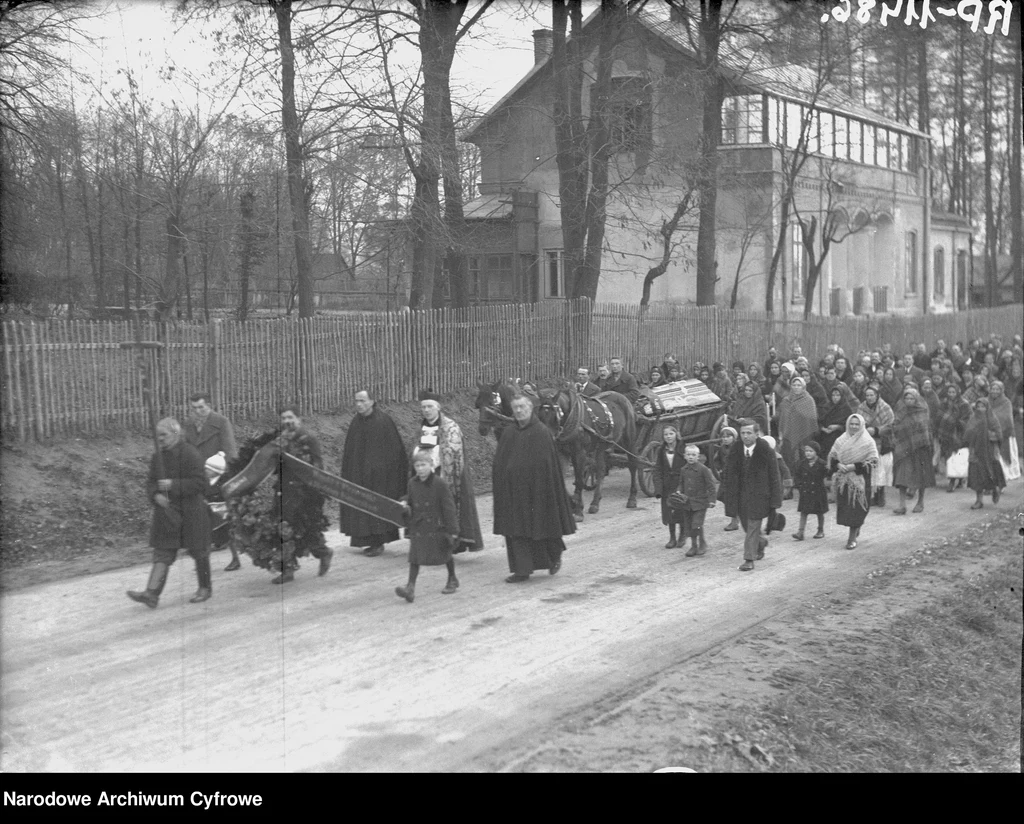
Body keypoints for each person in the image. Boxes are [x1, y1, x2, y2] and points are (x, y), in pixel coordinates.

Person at [127, 418, 212, 607]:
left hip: (192, 511)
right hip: (167, 512)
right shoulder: (158, 457)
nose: (160, 439)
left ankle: (205, 588)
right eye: (157, 436)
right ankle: (151, 593)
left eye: (163, 435)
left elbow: (201, 484)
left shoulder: (191, 454)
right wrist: (155, 495)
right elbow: (150, 482)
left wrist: (173, 485)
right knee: (162, 552)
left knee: (199, 551)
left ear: (176, 434)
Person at [492, 393, 577, 582]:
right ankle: (522, 570)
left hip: (537, 492)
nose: (519, 411)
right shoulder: (509, 433)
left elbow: (547, 466)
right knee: (516, 530)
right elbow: (499, 462)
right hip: (513, 493)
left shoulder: (541, 433)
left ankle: (555, 554)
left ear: (531, 409)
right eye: (516, 408)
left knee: (543, 528)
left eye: (523, 407)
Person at [339, 389, 409, 558]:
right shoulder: (356, 422)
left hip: (380, 477)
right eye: (356, 401)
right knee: (362, 506)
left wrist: (380, 470)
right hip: (359, 474)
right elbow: (351, 451)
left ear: (372, 401)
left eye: (362, 401)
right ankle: (365, 540)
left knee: (376, 506)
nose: (359, 404)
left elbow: (395, 451)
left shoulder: (383, 421)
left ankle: (378, 542)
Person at [416, 389, 484, 553]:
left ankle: (453, 542)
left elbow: (453, 450)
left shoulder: (450, 426)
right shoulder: (421, 426)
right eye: (423, 407)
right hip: (425, 474)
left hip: (447, 474)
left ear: (438, 407)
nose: (426, 410)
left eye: (430, 407)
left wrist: (434, 462)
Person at [272, 405, 332, 584]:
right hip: (284, 489)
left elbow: (318, 465)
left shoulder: (309, 439)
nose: (287, 422)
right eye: (284, 418)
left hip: (304, 493)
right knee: (282, 529)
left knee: (306, 530)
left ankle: (324, 553)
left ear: (298, 419)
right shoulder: (279, 440)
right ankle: (287, 570)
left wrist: (311, 487)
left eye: (290, 417)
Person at [183, 392, 241, 570]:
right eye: (194, 408)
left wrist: (224, 475)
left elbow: (230, 451)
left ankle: (235, 558)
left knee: (223, 517)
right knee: (200, 518)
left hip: (218, 476)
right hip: (198, 479)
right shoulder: (188, 425)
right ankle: (203, 561)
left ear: (209, 405)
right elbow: (185, 451)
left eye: (201, 407)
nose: (198, 411)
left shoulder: (221, 422)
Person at [394, 450, 460, 603]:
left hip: (437, 525)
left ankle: (452, 578)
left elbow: (448, 507)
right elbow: (410, 498)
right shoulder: (412, 483)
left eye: (423, 465)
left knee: (445, 553)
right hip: (419, 525)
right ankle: (410, 587)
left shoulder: (439, 483)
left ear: (431, 465)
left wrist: (453, 530)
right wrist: (404, 501)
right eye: (417, 465)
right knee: (415, 556)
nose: (420, 469)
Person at [722, 419, 782, 573]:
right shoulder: (735, 450)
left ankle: (749, 559)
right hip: (741, 496)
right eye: (743, 433)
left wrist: (775, 500)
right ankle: (760, 543)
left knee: (753, 526)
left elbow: (774, 476)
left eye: (749, 433)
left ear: (757, 434)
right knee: (746, 526)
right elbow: (728, 474)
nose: (745, 436)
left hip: (760, 496)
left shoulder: (766, 451)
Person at [827, 413, 878, 549]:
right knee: (847, 509)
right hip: (844, 480)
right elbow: (832, 457)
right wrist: (838, 465)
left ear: (861, 425)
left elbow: (873, 461)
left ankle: (851, 538)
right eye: (851, 424)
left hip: (860, 480)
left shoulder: (868, 442)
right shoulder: (841, 440)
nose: (854, 426)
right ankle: (855, 529)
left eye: (857, 424)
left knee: (857, 508)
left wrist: (854, 466)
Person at [887, 386, 935, 515]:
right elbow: (894, 425)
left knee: (921, 476)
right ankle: (902, 505)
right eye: (906, 398)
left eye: (911, 398)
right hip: (904, 449)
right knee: (902, 475)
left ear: (916, 398)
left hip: (920, 449)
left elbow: (925, 430)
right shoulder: (901, 411)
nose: (908, 400)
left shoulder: (922, 411)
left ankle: (920, 501)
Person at [674, 444, 717, 557]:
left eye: (693, 455)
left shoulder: (703, 469)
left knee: (696, 524)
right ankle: (694, 546)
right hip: (687, 503)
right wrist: (679, 491)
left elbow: (711, 486)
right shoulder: (684, 470)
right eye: (688, 455)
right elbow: (681, 484)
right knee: (690, 525)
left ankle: (702, 544)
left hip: (700, 503)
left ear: (698, 457)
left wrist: (712, 500)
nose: (691, 457)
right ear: (684, 456)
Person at [964, 398, 1005, 509]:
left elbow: (998, 435)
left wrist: (986, 434)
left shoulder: (992, 419)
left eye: (983, 407)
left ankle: (995, 488)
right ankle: (979, 500)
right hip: (976, 450)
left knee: (990, 472)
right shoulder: (973, 419)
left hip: (989, 451)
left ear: (987, 408)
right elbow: (967, 434)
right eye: (978, 407)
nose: (980, 409)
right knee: (976, 474)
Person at [858, 384, 894, 506]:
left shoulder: (885, 407)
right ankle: (871, 496)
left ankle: (880, 495)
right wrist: (865, 429)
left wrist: (877, 430)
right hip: (867, 441)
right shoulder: (861, 408)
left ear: (877, 395)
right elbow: (857, 422)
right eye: (867, 395)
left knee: (881, 469)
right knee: (870, 469)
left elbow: (890, 424)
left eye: (872, 395)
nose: (869, 398)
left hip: (882, 442)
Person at [778, 375, 819, 476]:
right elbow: (783, 418)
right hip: (788, 433)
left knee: (803, 455)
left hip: (804, 434)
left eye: (799, 385)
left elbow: (812, 418)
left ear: (803, 387)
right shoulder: (786, 400)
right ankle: (790, 476)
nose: (796, 387)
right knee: (788, 456)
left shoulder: (808, 400)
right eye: (794, 385)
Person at [653, 424, 686, 548]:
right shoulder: (662, 450)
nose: (668, 437)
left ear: (676, 434)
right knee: (669, 511)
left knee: (681, 509)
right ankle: (672, 537)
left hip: (680, 483)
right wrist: (658, 488)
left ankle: (682, 535)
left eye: (671, 434)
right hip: (667, 484)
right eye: (666, 435)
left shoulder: (683, 448)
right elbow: (658, 468)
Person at [792, 441, 828, 541]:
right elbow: (797, 476)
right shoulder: (801, 463)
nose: (808, 453)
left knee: (819, 512)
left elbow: (826, 475)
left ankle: (820, 530)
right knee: (804, 512)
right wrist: (799, 486)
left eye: (811, 451)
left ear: (816, 452)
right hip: (806, 491)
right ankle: (800, 532)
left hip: (818, 491)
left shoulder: (822, 464)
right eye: (806, 451)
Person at [988, 380, 1021, 481]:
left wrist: (997, 428)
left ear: (1001, 390)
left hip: (1005, 434)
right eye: (993, 389)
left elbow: (1007, 419)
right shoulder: (986, 401)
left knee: (1001, 459)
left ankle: (1002, 480)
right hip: (989, 434)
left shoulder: (1006, 402)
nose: (995, 391)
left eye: (997, 389)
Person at [818, 384, 858, 457]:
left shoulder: (846, 409)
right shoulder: (826, 407)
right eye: (833, 395)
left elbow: (850, 426)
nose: (835, 398)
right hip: (824, 439)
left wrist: (837, 427)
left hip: (839, 440)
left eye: (838, 395)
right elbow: (819, 421)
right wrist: (823, 428)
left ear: (842, 396)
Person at [714, 426, 740, 531]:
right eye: (723, 437)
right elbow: (716, 460)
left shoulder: (738, 448)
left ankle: (734, 521)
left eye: (728, 436)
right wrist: (719, 469)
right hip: (725, 477)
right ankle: (737, 515)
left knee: (733, 499)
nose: (725, 439)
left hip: (735, 478)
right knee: (721, 495)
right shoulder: (721, 449)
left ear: (734, 438)